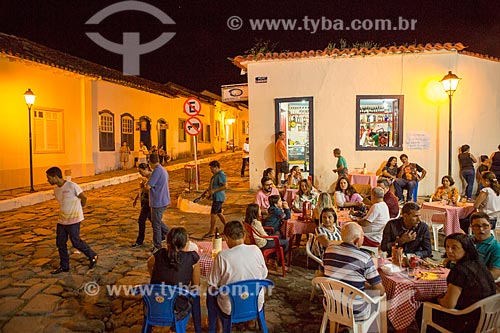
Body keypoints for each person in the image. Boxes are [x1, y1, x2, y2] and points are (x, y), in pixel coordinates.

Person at [426, 233, 495, 333]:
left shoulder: (460, 270)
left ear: (466, 248)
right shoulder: (478, 263)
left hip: (468, 321)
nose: (449, 251)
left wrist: (439, 299)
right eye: (447, 247)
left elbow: (449, 305)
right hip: (488, 317)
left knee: (423, 307)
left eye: (454, 248)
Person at [207, 221, 268, 333]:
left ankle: (217, 326)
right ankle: (252, 321)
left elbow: (213, 284)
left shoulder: (222, 256)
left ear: (226, 238)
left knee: (210, 292)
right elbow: (264, 274)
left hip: (230, 308)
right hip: (256, 303)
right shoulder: (256, 250)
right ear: (244, 235)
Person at [322, 222, 385, 320]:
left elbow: (327, 274)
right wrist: (366, 286)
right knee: (382, 297)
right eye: (362, 237)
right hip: (356, 312)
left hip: (331, 305)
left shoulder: (329, 250)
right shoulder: (365, 258)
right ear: (356, 240)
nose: (363, 239)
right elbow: (380, 291)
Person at [46, 167, 98, 274]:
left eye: (49, 178)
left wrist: (79, 209)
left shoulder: (72, 186)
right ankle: (64, 266)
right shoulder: (56, 190)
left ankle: (92, 255)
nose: (48, 180)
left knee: (76, 242)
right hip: (62, 220)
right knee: (60, 243)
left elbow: (84, 198)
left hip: (74, 220)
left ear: (55, 177)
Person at [147, 227, 200, 331]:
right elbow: (195, 286)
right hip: (177, 310)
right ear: (186, 244)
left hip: (155, 306)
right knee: (191, 298)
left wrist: (154, 278)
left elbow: (149, 263)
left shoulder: (159, 254)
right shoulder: (192, 258)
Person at [146, 153, 170, 253]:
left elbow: (148, 186)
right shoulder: (163, 170)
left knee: (156, 224)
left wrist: (143, 185)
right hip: (164, 199)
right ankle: (167, 234)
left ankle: (157, 245)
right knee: (156, 220)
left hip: (158, 201)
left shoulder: (156, 171)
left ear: (150, 162)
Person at [469, 212, 500, 281]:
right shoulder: (468, 240)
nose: (481, 229)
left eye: (485, 226)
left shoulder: (496, 247)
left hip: (479, 282)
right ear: (471, 227)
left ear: (490, 226)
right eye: (477, 226)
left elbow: (495, 274)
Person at [203, 160, 227, 238]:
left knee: (213, 214)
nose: (211, 170)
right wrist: (208, 191)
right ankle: (228, 228)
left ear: (216, 167)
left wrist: (214, 190)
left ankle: (211, 231)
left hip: (218, 197)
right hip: (216, 197)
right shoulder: (215, 175)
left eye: (212, 168)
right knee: (219, 213)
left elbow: (225, 186)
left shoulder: (221, 175)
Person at [131, 163, 152, 248]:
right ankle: (163, 234)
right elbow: (141, 190)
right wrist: (136, 199)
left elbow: (150, 191)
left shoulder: (151, 178)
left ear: (146, 169)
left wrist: (144, 187)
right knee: (153, 220)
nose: (140, 173)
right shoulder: (145, 178)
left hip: (148, 202)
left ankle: (140, 240)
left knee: (141, 220)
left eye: (141, 171)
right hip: (144, 201)